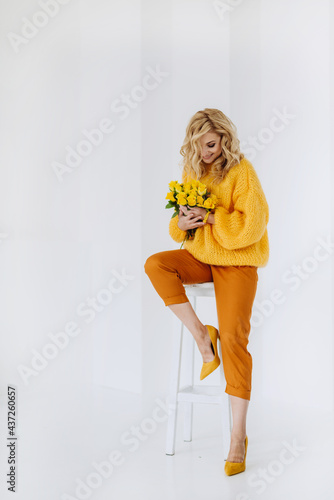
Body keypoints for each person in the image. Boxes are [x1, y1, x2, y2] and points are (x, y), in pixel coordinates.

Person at [144, 108, 269, 476]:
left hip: (238, 261)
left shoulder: (242, 173)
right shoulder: (192, 170)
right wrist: (182, 222)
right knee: (157, 264)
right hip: (201, 255)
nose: (206, 153)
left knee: (233, 339)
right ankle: (202, 337)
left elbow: (253, 228)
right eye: (199, 147)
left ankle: (237, 437)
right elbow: (179, 228)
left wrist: (212, 215)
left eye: (212, 145)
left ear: (225, 140)